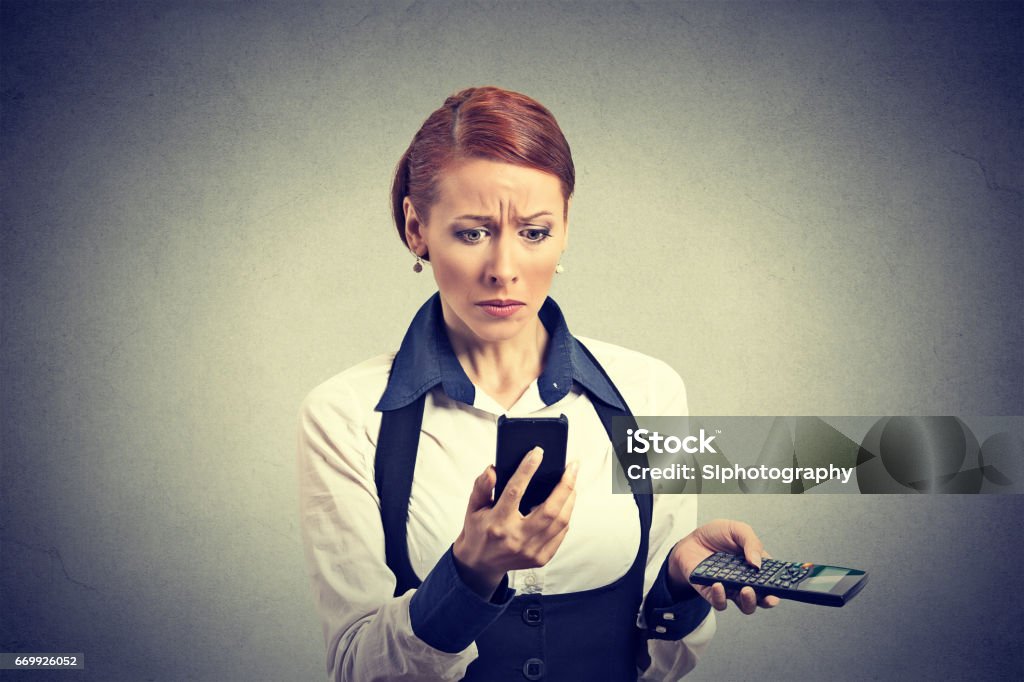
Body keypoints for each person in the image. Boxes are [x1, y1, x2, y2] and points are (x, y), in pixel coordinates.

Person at [296, 86, 777, 682]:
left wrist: (679, 581)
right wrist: (468, 573)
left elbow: (665, 667)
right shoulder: (346, 416)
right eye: (472, 233)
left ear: (566, 228)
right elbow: (355, 671)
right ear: (416, 228)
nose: (505, 267)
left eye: (534, 232)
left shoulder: (649, 392)